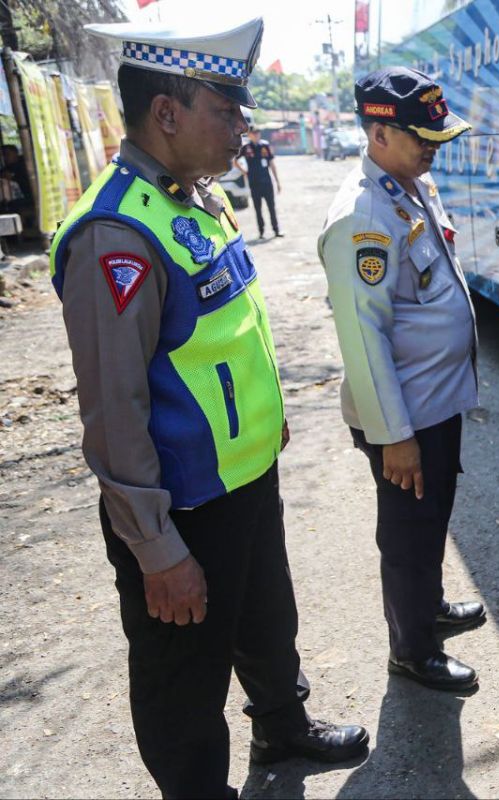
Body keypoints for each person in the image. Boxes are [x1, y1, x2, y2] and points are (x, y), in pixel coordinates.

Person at [49, 18, 368, 797]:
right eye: (225, 110)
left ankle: (282, 730)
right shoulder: (116, 232)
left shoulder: (192, 199)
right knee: (182, 681)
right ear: (166, 113)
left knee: (266, 623)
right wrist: (156, 549)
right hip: (181, 503)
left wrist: (266, 416)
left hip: (245, 477)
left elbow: (228, 333)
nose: (242, 125)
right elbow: (114, 413)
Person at [318, 67, 483, 693]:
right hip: (404, 417)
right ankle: (412, 650)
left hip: (433, 402)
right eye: (422, 137)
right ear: (379, 132)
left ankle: (429, 607)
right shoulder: (361, 214)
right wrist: (395, 437)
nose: (433, 148)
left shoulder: (409, 182)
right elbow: (364, 339)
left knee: (432, 516)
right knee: (408, 534)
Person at [237, 124, 283, 238]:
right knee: (258, 209)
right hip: (254, 182)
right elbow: (235, 160)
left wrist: (277, 181)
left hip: (267, 182)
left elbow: (272, 164)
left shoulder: (265, 145)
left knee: (271, 207)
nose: (257, 135)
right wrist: (244, 172)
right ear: (249, 135)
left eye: (258, 133)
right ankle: (261, 232)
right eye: (254, 133)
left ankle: (276, 230)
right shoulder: (246, 147)